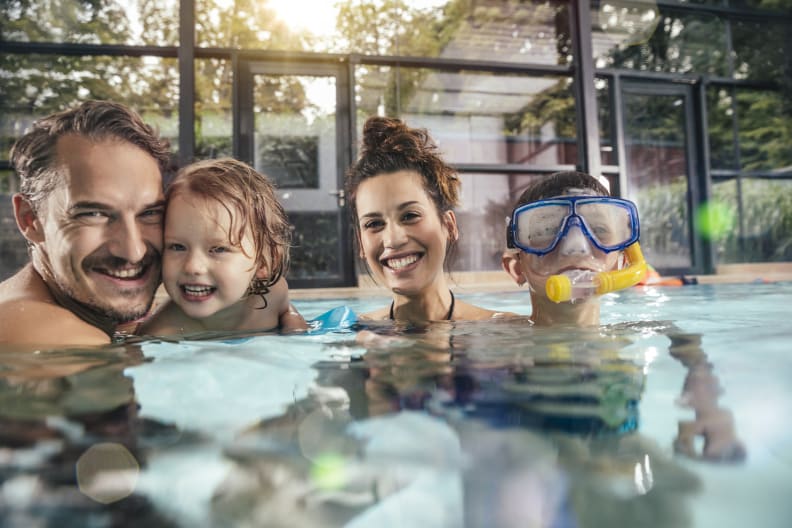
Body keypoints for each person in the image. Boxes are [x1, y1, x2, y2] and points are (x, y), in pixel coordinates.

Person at [0, 100, 171, 347]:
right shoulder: (61, 342)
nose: (133, 251)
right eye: (94, 214)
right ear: (31, 219)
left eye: (150, 213)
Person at [345, 116, 513, 323]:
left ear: (449, 226)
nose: (393, 240)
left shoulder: (502, 330)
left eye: (410, 216)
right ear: (361, 242)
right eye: (374, 224)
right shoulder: (348, 333)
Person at [140, 158, 306, 336]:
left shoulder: (272, 294)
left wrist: (295, 329)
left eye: (218, 249)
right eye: (178, 247)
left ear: (264, 262)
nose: (193, 267)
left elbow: (287, 310)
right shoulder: (160, 333)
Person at [501, 170, 646, 326]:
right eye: (547, 231)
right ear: (516, 267)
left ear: (623, 260)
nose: (576, 248)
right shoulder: (494, 332)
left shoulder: (654, 334)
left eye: (599, 230)